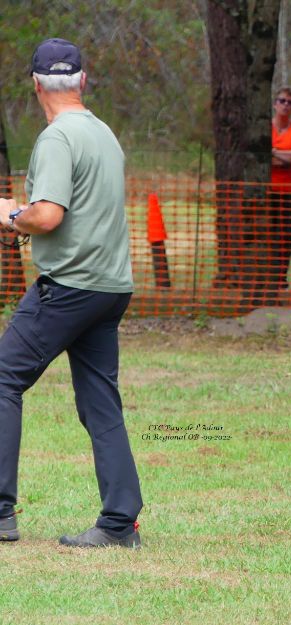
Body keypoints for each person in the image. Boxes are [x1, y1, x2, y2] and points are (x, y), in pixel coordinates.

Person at [0, 39, 143, 548]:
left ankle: (0, 512)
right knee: (100, 403)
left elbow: (48, 215)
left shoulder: (57, 137)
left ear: (35, 85)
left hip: (70, 287)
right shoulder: (103, 133)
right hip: (110, 287)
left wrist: (11, 215)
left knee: (3, 378)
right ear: (82, 80)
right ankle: (119, 523)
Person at [263, 86, 291, 302]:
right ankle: (265, 277)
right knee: (267, 235)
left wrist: (274, 153)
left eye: (290, 102)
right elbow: (263, 158)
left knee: (285, 237)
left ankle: (280, 278)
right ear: (275, 104)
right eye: (282, 101)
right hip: (268, 193)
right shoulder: (265, 128)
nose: (285, 105)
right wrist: (284, 157)